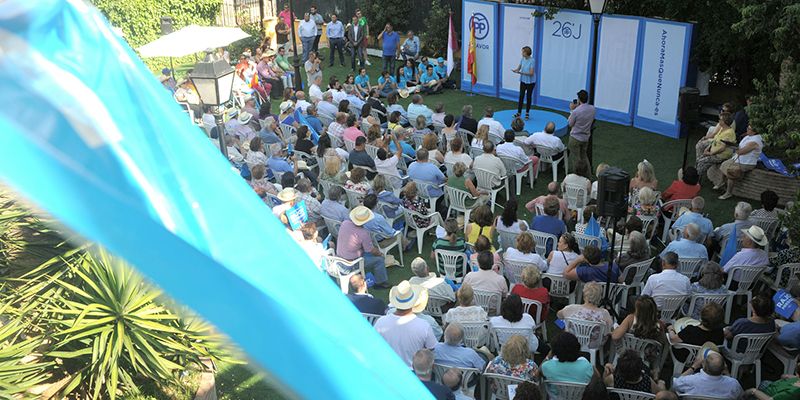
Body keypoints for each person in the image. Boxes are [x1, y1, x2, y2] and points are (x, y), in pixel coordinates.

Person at [374, 281, 436, 365]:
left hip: (387, 368)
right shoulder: (424, 325)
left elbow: (375, 345)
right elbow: (431, 348)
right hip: (412, 371)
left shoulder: (381, 322)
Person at [336, 206, 390, 288]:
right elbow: (370, 250)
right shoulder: (363, 233)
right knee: (379, 260)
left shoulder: (345, 223)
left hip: (339, 258)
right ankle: (381, 282)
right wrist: (380, 254)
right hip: (351, 263)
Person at [717, 124, 764, 199]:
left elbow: (741, 152)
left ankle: (728, 193)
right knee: (724, 164)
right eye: (747, 127)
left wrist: (731, 147)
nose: (747, 129)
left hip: (747, 162)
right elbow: (740, 147)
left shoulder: (755, 141)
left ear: (754, 132)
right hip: (738, 159)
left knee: (731, 172)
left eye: (749, 129)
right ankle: (722, 182)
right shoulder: (749, 136)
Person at [671, 350, 743, 399]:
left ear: (704, 366)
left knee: (674, 377)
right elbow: (739, 395)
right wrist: (727, 373)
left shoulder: (691, 380)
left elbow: (676, 384)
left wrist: (694, 367)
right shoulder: (733, 384)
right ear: (724, 367)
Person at [695, 111, 736, 178]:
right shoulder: (722, 129)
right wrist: (707, 149)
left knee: (701, 162)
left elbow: (722, 148)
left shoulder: (729, 133)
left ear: (724, 122)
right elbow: (714, 140)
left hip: (720, 155)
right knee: (699, 160)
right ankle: (696, 175)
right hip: (714, 152)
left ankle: (696, 179)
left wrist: (710, 153)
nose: (719, 120)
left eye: (720, 119)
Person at [567, 90, 596, 171]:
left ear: (579, 99)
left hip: (575, 138)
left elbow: (570, 124)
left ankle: (577, 177)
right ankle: (588, 175)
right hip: (585, 138)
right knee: (584, 157)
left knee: (576, 160)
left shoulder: (576, 111)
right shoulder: (592, 109)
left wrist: (572, 110)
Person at [513, 46, 536, 119]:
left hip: (530, 82)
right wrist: (516, 70)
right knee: (521, 96)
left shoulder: (532, 60)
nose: (522, 53)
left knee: (528, 97)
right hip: (523, 81)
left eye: (523, 52)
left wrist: (521, 73)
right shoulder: (522, 59)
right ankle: (519, 113)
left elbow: (531, 73)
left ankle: (527, 113)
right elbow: (519, 67)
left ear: (526, 53)